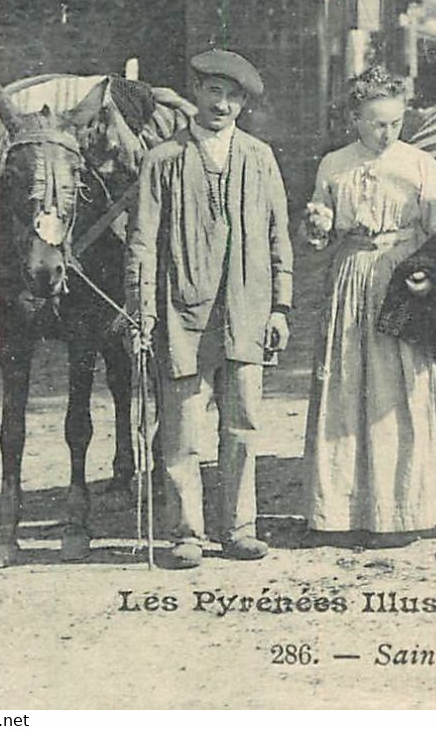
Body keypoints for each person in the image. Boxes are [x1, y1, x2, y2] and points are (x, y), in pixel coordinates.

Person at [125, 49, 292, 569]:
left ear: (244, 104)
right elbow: (142, 241)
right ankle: (187, 533)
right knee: (182, 429)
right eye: (213, 91)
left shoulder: (260, 158)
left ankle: (240, 529)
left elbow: (277, 236)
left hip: (246, 309)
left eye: (233, 96)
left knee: (242, 423)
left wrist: (281, 306)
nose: (222, 104)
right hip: (182, 313)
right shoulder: (164, 160)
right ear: (196, 92)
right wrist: (141, 309)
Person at [302, 67, 436, 543]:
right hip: (352, 276)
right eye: (377, 123)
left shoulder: (420, 164)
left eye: (395, 123)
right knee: (347, 382)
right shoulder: (333, 165)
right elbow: (320, 230)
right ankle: (342, 512)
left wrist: (430, 263)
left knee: (403, 387)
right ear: (355, 119)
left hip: (402, 278)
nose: (387, 133)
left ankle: (407, 509)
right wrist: (317, 225)